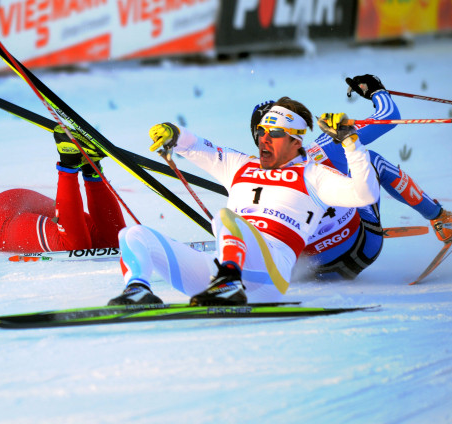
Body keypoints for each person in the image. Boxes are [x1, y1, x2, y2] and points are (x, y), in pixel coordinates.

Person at [108, 97, 380, 306]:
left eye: (274, 134)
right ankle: (137, 290)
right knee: (134, 234)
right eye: (262, 131)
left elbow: (365, 194)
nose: (264, 139)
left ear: (295, 141)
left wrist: (351, 144)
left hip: (269, 275)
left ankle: (230, 282)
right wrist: (173, 133)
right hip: (220, 270)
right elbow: (195, 146)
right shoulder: (240, 165)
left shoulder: (314, 174)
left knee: (227, 218)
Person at [252, 74, 452, 280]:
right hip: (363, 247)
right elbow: (389, 116)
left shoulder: (248, 174)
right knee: (368, 160)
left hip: (314, 271)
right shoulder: (325, 145)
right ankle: (441, 218)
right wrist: (376, 91)